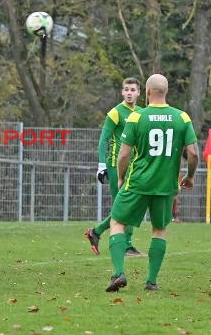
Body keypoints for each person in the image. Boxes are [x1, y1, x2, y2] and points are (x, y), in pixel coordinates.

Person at [105, 73, 198, 292]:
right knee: (159, 230)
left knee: (117, 222)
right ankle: (152, 282)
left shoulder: (137, 117)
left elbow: (123, 155)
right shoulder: (182, 117)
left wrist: (120, 176)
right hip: (166, 185)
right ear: (166, 92)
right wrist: (190, 176)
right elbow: (193, 153)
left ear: (146, 92)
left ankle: (119, 273)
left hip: (137, 182)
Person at [85, 78, 142, 256]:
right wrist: (101, 165)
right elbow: (104, 139)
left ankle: (97, 232)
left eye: (133, 89)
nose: (130, 92)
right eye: (126, 89)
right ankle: (126, 245)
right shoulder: (116, 112)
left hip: (135, 165)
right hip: (116, 164)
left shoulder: (142, 112)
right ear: (122, 92)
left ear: (139, 93)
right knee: (125, 205)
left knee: (133, 204)